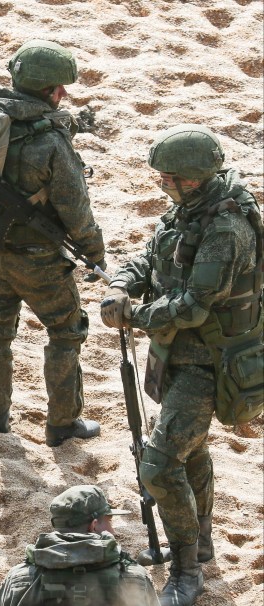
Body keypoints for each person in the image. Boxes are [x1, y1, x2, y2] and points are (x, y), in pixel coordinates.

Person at [101, 124, 262, 606]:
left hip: (209, 366)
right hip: (178, 356)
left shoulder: (225, 230)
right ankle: (204, 539)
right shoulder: (190, 208)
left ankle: (187, 571)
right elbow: (150, 256)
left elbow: (193, 306)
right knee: (189, 451)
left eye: (169, 178)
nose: (162, 186)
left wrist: (136, 315)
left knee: (159, 465)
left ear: (194, 178)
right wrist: (121, 287)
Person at [0, 40, 105, 445]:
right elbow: (76, 209)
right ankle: (61, 424)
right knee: (66, 331)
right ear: (49, 91)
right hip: (38, 259)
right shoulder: (52, 142)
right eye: (61, 87)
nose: (65, 95)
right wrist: (94, 252)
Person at [0, 485, 160, 606]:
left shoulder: (19, 579)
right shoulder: (133, 578)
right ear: (93, 526)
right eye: (109, 521)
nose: (113, 531)